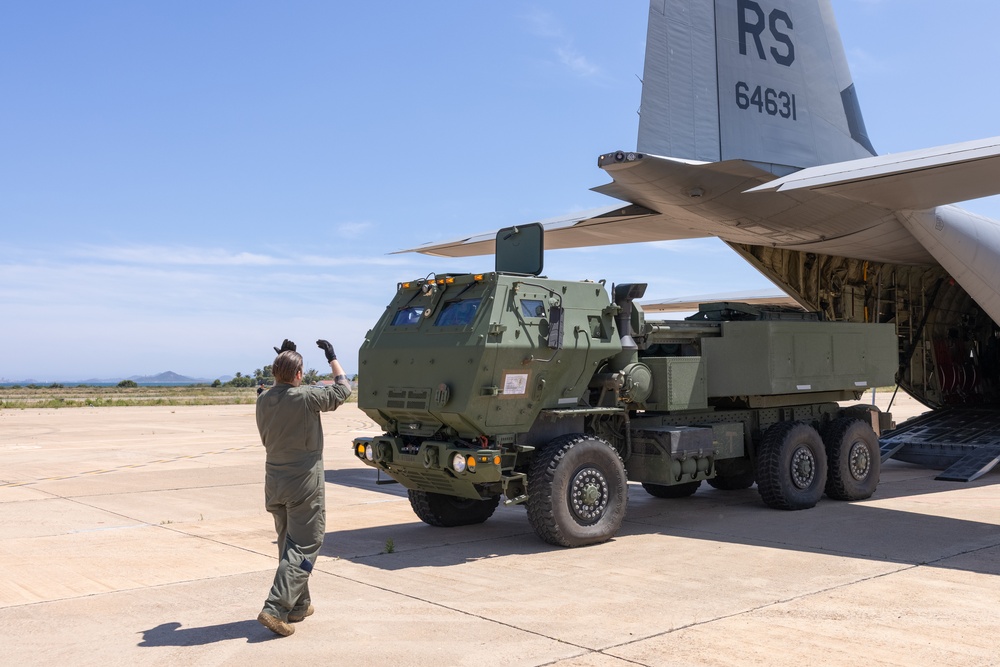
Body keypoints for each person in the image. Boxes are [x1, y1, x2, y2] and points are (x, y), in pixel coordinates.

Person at [255, 338, 351, 637]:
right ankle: (275, 607)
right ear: (298, 375)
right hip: (303, 483)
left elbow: (282, 389)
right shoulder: (307, 397)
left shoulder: (262, 399)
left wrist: (285, 360)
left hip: (274, 481)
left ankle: (298, 605)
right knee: (307, 544)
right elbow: (344, 390)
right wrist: (332, 358)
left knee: (288, 545)